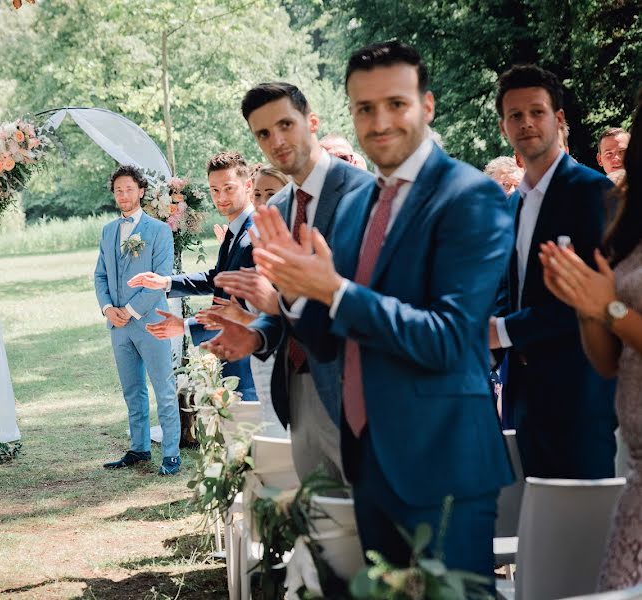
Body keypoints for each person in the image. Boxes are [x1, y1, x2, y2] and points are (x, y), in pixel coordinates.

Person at [249, 41, 513, 579]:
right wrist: (298, 291)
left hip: (443, 464)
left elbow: (446, 338)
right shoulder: (356, 204)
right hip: (367, 461)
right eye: (364, 108)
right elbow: (326, 341)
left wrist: (336, 290)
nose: (379, 120)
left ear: (428, 106)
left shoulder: (470, 196)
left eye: (396, 103)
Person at [204, 82, 373, 483]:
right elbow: (281, 306)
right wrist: (257, 335)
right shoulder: (277, 209)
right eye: (263, 133)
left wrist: (278, 304)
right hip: (295, 391)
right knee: (318, 523)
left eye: (285, 124)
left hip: (359, 392)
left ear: (311, 121)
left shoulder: (366, 194)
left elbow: (368, 300)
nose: (276, 140)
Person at [492, 64, 617, 478]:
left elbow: (593, 301)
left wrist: (502, 331)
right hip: (524, 397)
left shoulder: (592, 193)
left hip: (581, 393)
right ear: (503, 127)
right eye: (515, 115)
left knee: (586, 532)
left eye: (537, 112)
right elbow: (512, 291)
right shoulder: (513, 204)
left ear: (558, 119)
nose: (526, 123)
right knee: (542, 529)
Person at [540, 89, 642, 591]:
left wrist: (612, 310)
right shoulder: (627, 216)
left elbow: (619, 314)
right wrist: (587, 311)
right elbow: (608, 363)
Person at [129, 151, 258, 401]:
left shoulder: (253, 237)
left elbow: (244, 310)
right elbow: (216, 279)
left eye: (228, 188)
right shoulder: (236, 232)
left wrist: (185, 326)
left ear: (248, 185)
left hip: (248, 360)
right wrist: (165, 282)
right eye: (214, 190)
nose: (220, 197)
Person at [93, 165, 181, 475]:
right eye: (118, 190)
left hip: (151, 321)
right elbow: (100, 274)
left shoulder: (159, 231)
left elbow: (160, 278)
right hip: (117, 325)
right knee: (132, 390)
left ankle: (171, 455)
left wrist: (128, 312)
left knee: (164, 388)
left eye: (129, 189)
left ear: (141, 191)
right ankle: (140, 449)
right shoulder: (108, 231)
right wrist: (107, 309)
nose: (124, 194)